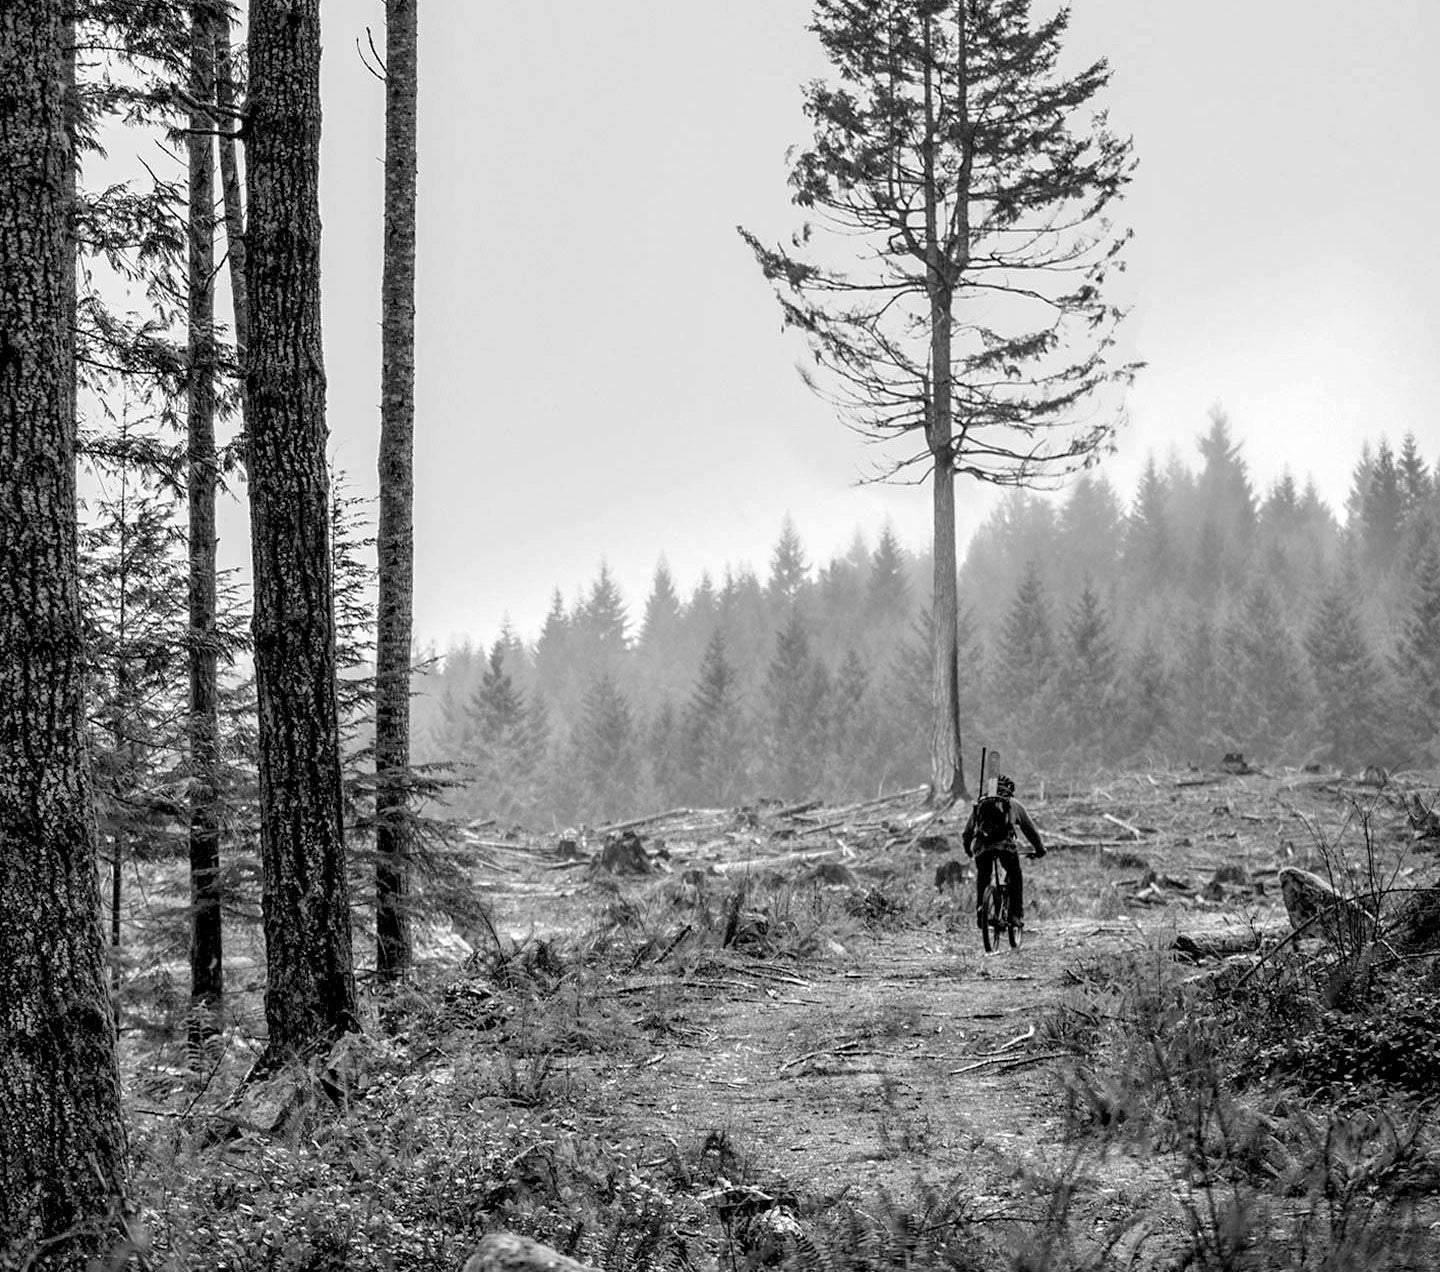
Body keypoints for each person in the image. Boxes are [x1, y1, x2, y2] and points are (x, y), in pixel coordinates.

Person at [962, 774, 1045, 930]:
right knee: (1015, 874)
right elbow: (1030, 829)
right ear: (1009, 789)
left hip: (982, 848)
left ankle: (981, 910)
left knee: (983, 877)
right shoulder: (1013, 804)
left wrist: (968, 849)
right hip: (1005, 847)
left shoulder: (980, 804)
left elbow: (967, 832)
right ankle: (1015, 915)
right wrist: (1039, 849)